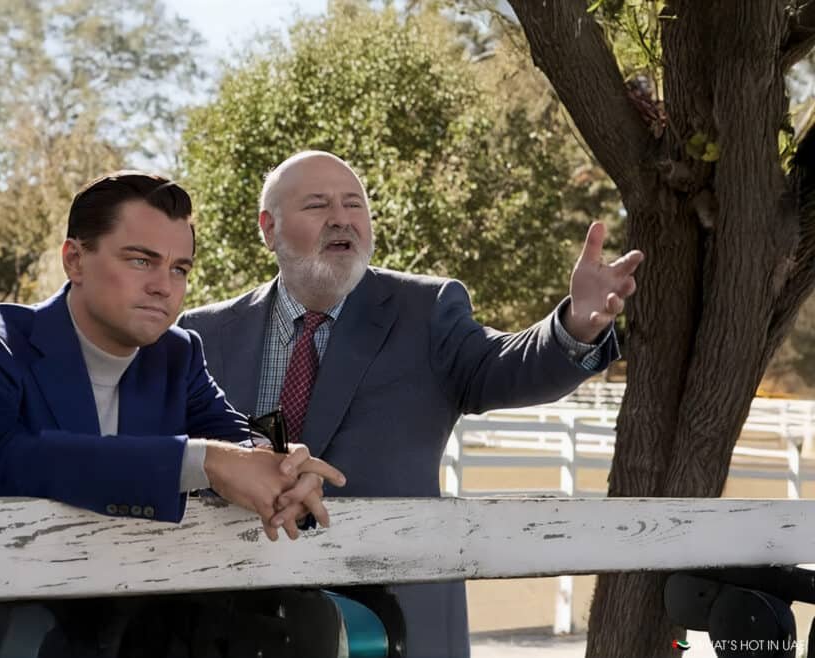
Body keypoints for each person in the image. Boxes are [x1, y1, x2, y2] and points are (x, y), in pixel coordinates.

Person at [179, 150, 644, 658]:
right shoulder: (203, 335)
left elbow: (505, 367)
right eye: (318, 205)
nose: (341, 218)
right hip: (242, 629)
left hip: (392, 625)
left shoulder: (426, 310)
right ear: (269, 229)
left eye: (354, 205)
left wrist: (575, 326)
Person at [0, 170, 346, 658]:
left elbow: (233, 439)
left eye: (179, 269)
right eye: (140, 260)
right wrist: (205, 462)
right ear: (75, 260)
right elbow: (4, 462)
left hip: (124, 628)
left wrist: (281, 464)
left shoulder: (178, 353)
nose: (163, 286)